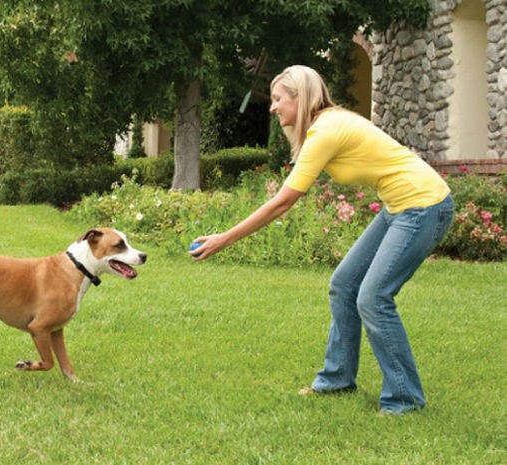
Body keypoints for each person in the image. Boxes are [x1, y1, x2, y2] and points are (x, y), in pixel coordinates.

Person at [191, 65, 454, 415]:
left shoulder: (326, 130)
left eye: (277, 99)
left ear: (300, 98)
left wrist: (224, 239)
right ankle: (337, 379)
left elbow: (283, 201)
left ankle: (404, 399)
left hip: (423, 206)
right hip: (400, 206)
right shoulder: (326, 124)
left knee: (374, 298)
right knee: (345, 285)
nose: (272, 108)